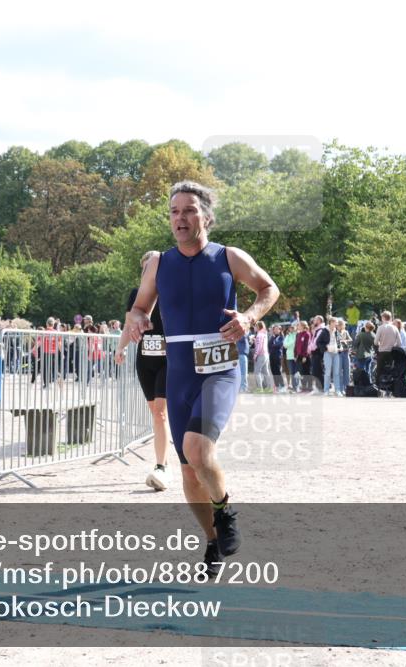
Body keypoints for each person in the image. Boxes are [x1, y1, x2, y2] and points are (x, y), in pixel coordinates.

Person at [125, 181, 279, 573]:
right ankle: (212, 542)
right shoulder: (159, 262)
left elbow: (268, 289)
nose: (181, 218)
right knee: (189, 471)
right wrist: (138, 318)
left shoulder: (228, 257)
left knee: (197, 447)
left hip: (220, 367)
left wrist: (249, 317)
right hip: (179, 372)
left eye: (189, 210)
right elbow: (139, 308)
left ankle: (226, 513)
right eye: (175, 212)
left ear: (206, 217)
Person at [115, 251, 171, 492]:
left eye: (154, 268)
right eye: (145, 268)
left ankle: (161, 467)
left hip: (168, 361)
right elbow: (130, 325)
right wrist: (120, 348)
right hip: (145, 360)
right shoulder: (135, 295)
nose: (149, 272)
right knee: (155, 413)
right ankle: (165, 460)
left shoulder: (171, 293)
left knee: (160, 413)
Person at [252, 321, 274, 393]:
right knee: (266, 372)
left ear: (258, 327)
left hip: (261, 355)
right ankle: (269, 388)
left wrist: (255, 355)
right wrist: (255, 341)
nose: (254, 327)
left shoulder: (259, 334)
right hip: (266, 354)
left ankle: (260, 389)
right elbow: (261, 344)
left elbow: (259, 346)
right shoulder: (264, 333)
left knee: (256, 372)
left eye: (255, 326)